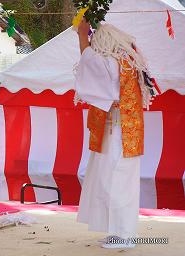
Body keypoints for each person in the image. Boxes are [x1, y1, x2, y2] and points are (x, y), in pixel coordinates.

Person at [74, 19, 157, 249]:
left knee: (117, 181)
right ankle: (116, 231)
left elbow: (88, 62)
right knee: (111, 179)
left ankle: (124, 235)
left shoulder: (112, 62)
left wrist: (82, 36)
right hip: (120, 129)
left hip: (119, 130)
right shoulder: (126, 60)